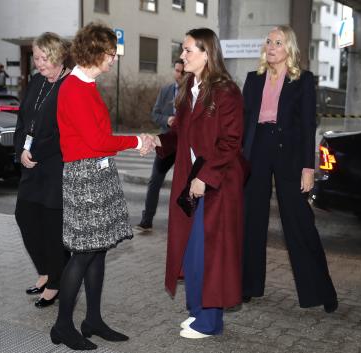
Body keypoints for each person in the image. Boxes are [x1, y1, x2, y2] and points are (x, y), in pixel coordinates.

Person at [50, 22, 149, 351]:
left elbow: (97, 139)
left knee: (99, 249)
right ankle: (62, 325)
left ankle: (92, 319)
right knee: (83, 253)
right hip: (84, 176)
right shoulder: (74, 88)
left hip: (98, 173)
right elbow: (95, 141)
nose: (114, 59)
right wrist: (137, 140)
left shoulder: (87, 84)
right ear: (94, 52)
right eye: (110, 53)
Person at [142, 27, 246, 339]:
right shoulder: (190, 87)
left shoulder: (227, 92)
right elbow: (179, 135)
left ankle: (211, 322)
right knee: (191, 250)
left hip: (217, 185)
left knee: (209, 252)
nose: (182, 56)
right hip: (191, 180)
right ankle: (197, 312)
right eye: (183, 50)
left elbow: (231, 143)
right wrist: (155, 142)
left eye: (188, 50)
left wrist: (205, 177)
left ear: (206, 53)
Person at [241, 25, 338, 313]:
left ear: (289, 49)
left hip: (290, 156)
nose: (271, 47)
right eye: (268, 41)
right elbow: (244, 122)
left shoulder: (303, 80)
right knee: (250, 220)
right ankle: (248, 285)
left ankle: (322, 291)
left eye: (278, 42)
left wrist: (309, 167)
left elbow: (309, 125)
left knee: (299, 222)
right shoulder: (253, 79)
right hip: (256, 152)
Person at [14, 32, 71, 308]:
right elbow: (23, 119)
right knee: (24, 217)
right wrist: (20, 152)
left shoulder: (69, 85)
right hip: (31, 166)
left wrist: (34, 152)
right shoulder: (37, 81)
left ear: (58, 56)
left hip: (55, 166)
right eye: (36, 58)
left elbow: (64, 132)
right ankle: (46, 271)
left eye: (44, 58)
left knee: (51, 228)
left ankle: (56, 283)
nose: (38, 63)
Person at [135, 59, 184, 232]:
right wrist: (167, 119)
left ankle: (181, 223)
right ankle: (146, 220)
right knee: (154, 181)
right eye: (177, 71)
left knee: (183, 184)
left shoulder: (193, 92)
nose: (179, 75)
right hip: (165, 143)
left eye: (182, 72)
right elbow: (155, 114)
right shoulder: (165, 91)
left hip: (184, 145)